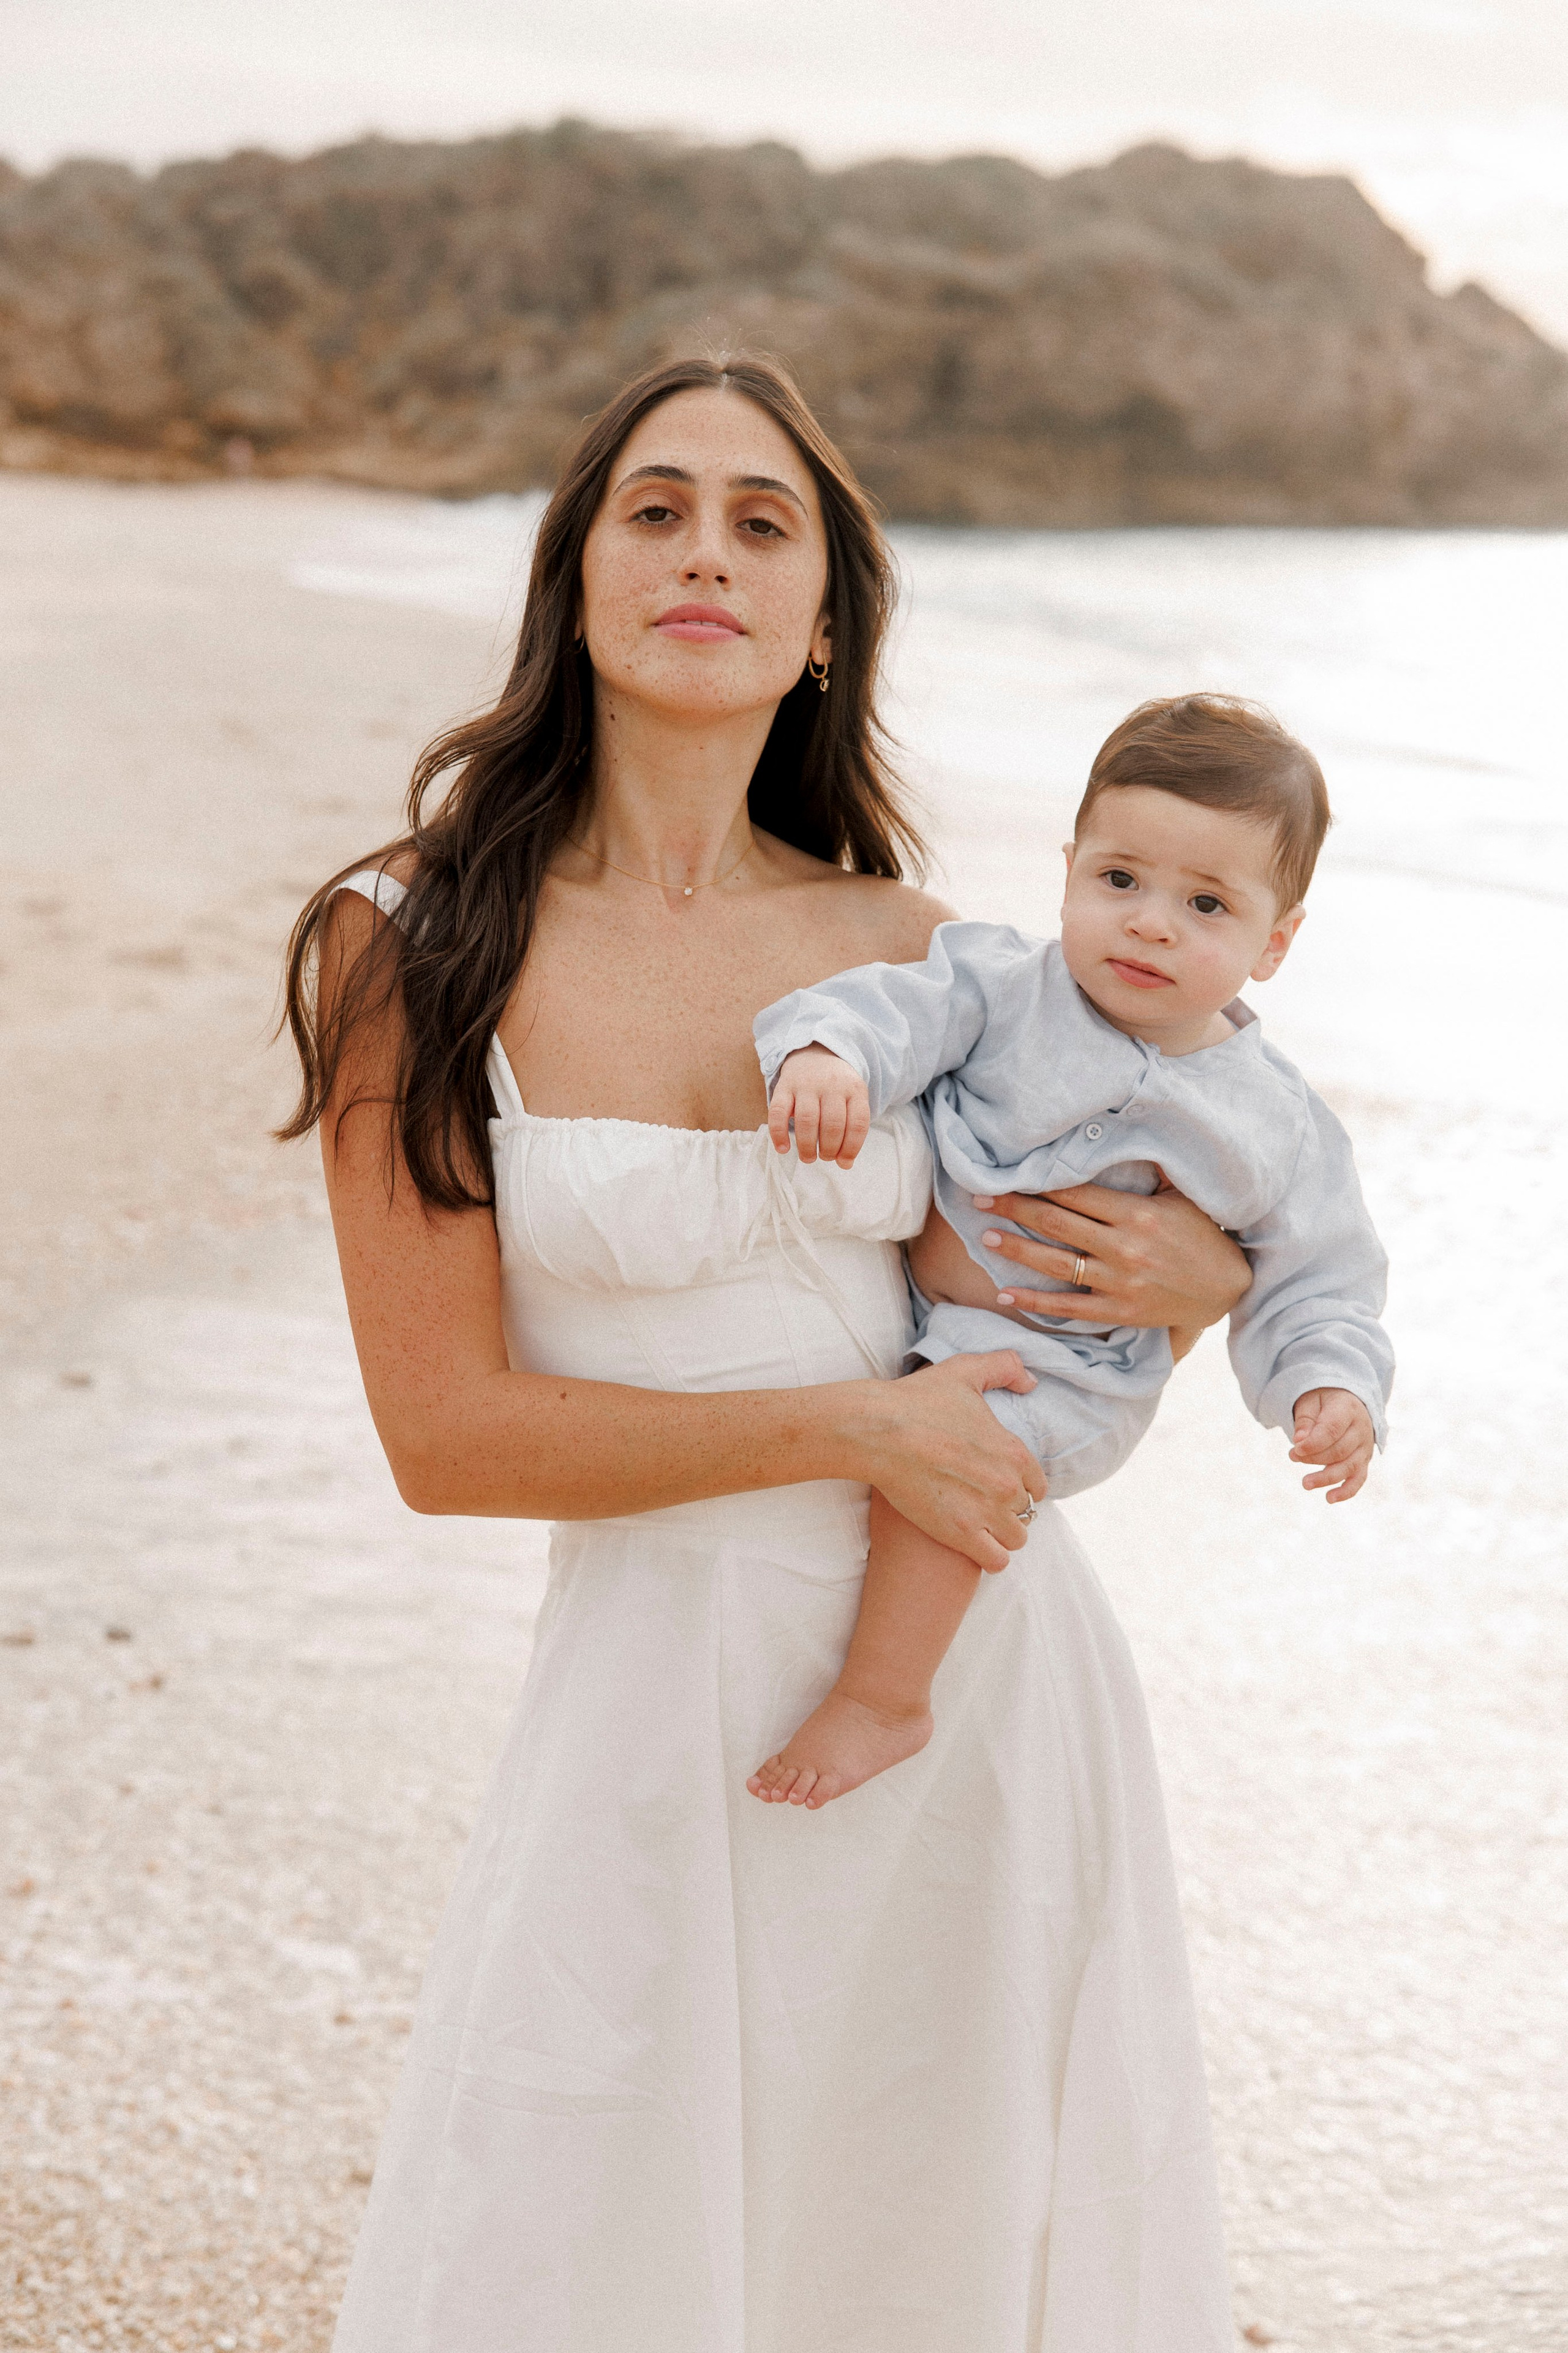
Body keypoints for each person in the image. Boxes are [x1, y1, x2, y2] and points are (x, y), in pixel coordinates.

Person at [281, 352, 1251, 2351]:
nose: (704, 552)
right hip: (659, 1698)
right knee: (582, 2237)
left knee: (939, 2249)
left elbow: (1155, 1198)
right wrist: (852, 1426)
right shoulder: (408, 939)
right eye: (654, 509)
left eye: (761, 520)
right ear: (573, 584)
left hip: (976, 1678)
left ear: (824, 628)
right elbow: (446, 1437)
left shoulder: (927, 951)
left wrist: (1206, 1272)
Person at [748, 694, 1395, 1811]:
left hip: (1069, 1376)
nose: (1150, 923)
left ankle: (886, 1696)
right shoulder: (1003, 986)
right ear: (1069, 872)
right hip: (912, 1312)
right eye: (1120, 880)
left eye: (1206, 903)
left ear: (1274, 941)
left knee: (958, 1460)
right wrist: (826, 1054)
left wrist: (1332, 1384)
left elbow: (1322, 1275)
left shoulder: (1276, 1122)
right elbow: (887, 1010)